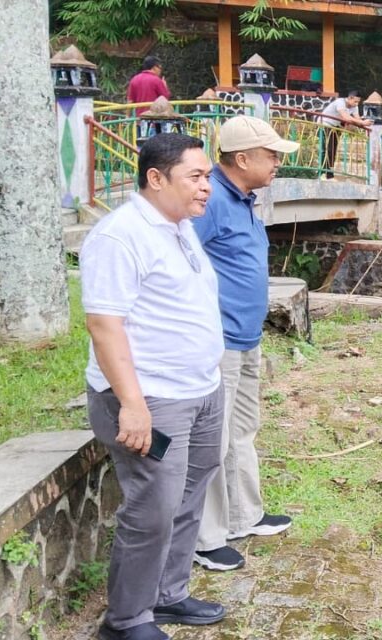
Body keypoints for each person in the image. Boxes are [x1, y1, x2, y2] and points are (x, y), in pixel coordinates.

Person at [81, 133, 226, 640]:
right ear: (156, 178)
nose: (207, 186)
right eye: (197, 176)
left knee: (191, 489)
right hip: (153, 400)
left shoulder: (179, 225)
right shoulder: (120, 236)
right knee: (153, 506)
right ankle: (126, 621)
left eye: (207, 176)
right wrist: (133, 405)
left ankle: (168, 593)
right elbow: (105, 325)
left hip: (200, 390)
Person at [191, 117, 299, 572]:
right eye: (271, 154)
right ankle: (205, 538)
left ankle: (243, 515)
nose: (277, 162)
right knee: (212, 441)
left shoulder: (245, 199)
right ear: (242, 159)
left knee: (242, 431)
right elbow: (181, 261)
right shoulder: (211, 199)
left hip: (246, 336)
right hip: (219, 342)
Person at [319, 90, 372, 179]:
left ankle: (328, 172)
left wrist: (363, 123)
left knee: (333, 149)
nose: (356, 104)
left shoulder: (354, 107)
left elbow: (357, 119)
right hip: (325, 124)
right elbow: (346, 117)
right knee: (327, 148)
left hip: (336, 127)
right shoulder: (340, 102)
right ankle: (323, 172)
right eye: (355, 101)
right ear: (350, 98)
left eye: (358, 102)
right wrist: (362, 122)